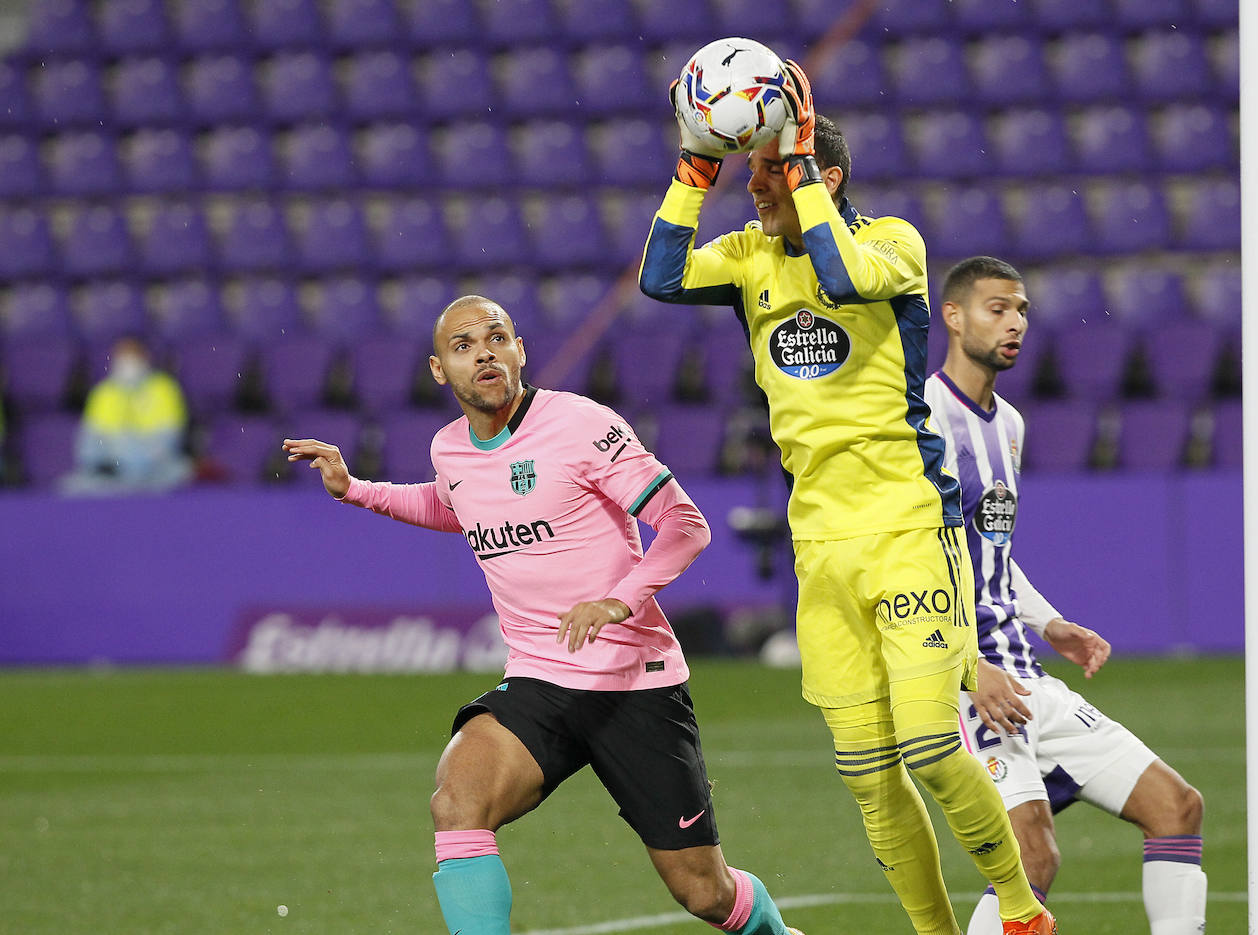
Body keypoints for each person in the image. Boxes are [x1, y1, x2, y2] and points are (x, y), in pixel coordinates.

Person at [640, 60, 1055, 935]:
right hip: (821, 548)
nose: (752, 188)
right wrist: (692, 168)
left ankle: (1022, 914)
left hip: (909, 525)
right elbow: (663, 276)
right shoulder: (749, 257)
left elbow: (842, 277)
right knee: (869, 774)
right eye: (749, 171)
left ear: (820, 174)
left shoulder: (895, 243)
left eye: (766, 171)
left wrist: (790, 157)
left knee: (936, 749)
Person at [283, 295, 805, 935]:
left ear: (519, 349)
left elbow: (683, 525)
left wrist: (621, 599)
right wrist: (356, 489)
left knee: (704, 893)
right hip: (539, 680)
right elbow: (455, 505)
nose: (484, 353)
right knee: (457, 802)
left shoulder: (580, 424)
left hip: (631, 681)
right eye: (464, 345)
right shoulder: (451, 448)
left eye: (496, 337)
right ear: (439, 369)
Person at [924, 256, 1207, 935]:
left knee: (1177, 806)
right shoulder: (923, 421)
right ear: (954, 316)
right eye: (997, 308)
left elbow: (988, 551)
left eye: (1021, 309)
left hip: (1023, 673)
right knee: (1030, 856)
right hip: (966, 677)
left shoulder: (1010, 425)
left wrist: (1049, 622)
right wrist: (969, 663)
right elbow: (914, 562)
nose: (1015, 322)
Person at [63, 334, 193, 494]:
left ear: (145, 356)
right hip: (112, 475)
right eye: (122, 355)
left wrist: (132, 457)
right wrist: (115, 460)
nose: (127, 361)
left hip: (155, 473)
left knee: (180, 473)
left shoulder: (164, 389)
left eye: (132, 354)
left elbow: (167, 444)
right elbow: (88, 448)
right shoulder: (103, 392)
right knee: (72, 486)